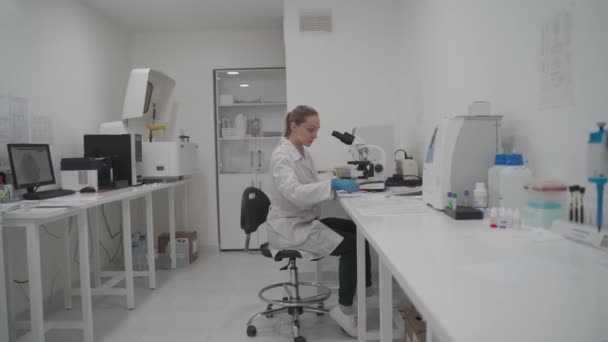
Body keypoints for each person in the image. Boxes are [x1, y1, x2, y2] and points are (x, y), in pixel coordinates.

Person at [264, 105, 372, 337]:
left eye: (317, 130)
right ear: (294, 126)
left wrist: (332, 178)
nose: (315, 135)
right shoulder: (282, 156)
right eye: (311, 130)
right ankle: (344, 309)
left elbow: (310, 181)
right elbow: (294, 191)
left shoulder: (303, 152)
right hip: (290, 228)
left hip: (304, 220)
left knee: (359, 230)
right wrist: (331, 185)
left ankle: (363, 290)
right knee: (352, 246)